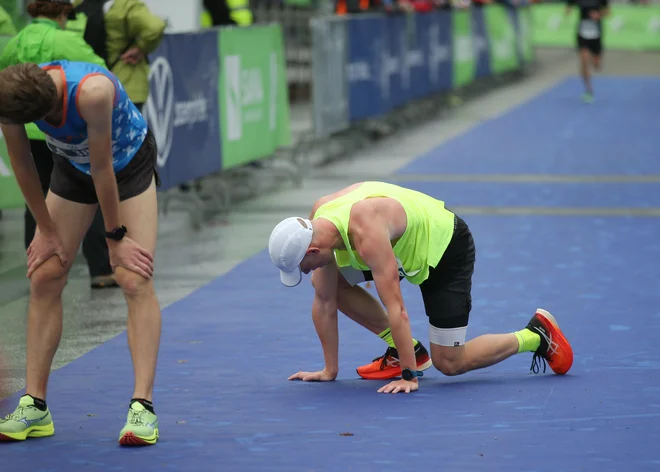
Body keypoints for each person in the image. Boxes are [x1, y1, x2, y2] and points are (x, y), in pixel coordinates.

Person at [267, 181, 574, 394]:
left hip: (444, 248)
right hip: (399, 244)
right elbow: (324, 301)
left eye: (303, 265)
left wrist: (409, 376)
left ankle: (535, 336)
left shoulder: (366, 233)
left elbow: (397, 308)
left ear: (311, 251)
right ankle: (408, 351)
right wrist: (328, 370)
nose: (305, 270)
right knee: (325, 282)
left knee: (449, 363)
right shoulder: (318, 216)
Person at [0, 60, 162, 445]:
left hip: (126, 166)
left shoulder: (92, 93)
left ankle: (143, 408)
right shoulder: (8, 94)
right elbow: (23, 165)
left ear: (43, 115)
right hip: (73, 167)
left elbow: (103, 168)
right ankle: (35, 406)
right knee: (45, 273)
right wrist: (47, 230)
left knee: (133, 278)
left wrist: (115, 237)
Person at [0, 0, 117, 288]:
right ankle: (101, 269)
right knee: (86, 193)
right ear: (63, 13)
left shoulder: (13, 43)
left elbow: (5, 86)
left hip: (25, 131)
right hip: (62, 131)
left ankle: (41, 265)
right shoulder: (67, 40)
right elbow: (101, 74)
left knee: (36, 200)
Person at [565, 0, 609, 103]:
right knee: (583, 59)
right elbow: (568, 7)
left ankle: (592, 58)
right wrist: (568, 10)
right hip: (582, 33)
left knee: (597, 66)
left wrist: (599, 15)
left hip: (596, 34)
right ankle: (588, 90)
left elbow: (607, 12)